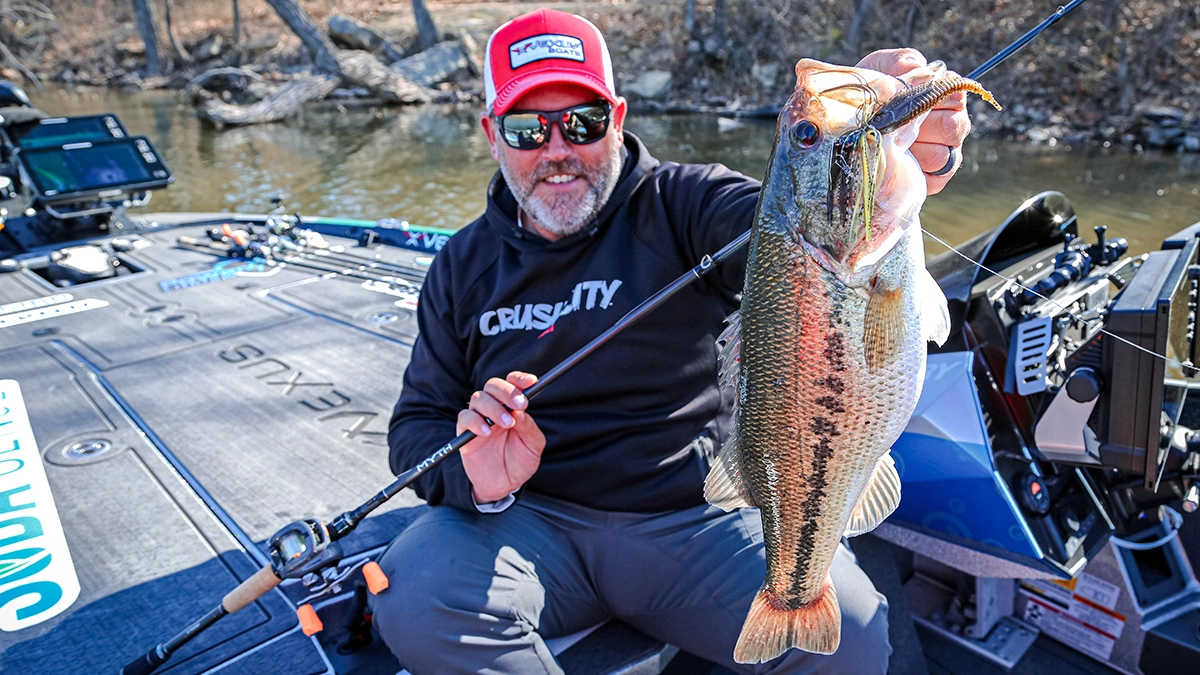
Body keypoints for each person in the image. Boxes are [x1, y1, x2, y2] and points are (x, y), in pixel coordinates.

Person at [376, 8, 971, 674]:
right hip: (528, 527)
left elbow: (789, 222)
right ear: (492, 134)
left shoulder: (686, 201)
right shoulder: (460, 265)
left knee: (849, 629)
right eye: (525, 128)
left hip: (693, 520)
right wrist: (472, 477)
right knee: (411, 592)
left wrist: (897, 153)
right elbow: (415, 427)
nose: (557, 150)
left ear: (619, 118)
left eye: (582, 121)